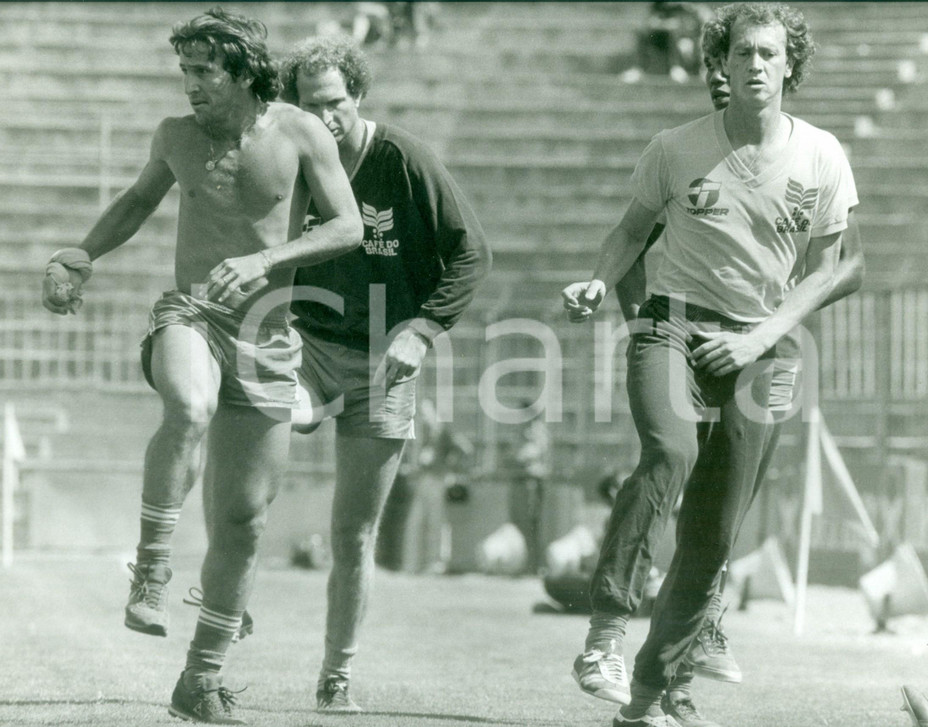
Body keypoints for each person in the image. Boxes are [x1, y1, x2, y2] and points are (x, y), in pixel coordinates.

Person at [42, 7, 363, 723]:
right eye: (184, 71)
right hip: (189, 313)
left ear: (244, 72)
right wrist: (81, 254)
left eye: (203, 72)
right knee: (188, 406)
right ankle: (151, 569)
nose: (190, 86)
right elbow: (135, 201)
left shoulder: (300, 131)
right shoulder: (175, 136)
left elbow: (348, 226)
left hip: (269, 337)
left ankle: (200, 680)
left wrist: (266, 259)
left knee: (245, 520)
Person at [562, 4, 860, 726]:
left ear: (791, 64)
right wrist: (602, 280)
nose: (754, 64)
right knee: (669, 449)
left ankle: (648, 696)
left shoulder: (821, 155)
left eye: (769, 53)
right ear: (720, 63)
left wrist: (761, 338)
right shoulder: (674, 147)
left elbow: (839, 269)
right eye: (741, 52)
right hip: (673, 325)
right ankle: (603, 633)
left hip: (764, 345)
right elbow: (629, 233)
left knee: (715, 531)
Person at [277, 36, 491, 714]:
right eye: (310, 106)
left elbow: (472, 253)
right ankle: (220, 600)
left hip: (383, 362)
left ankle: (336, 673)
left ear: (358, 96)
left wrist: (422, 330)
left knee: (353, 533)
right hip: (308, 346)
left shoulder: (403, 160)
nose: (325, 118)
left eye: (335, 103)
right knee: (254, 446)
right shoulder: (296, 162)